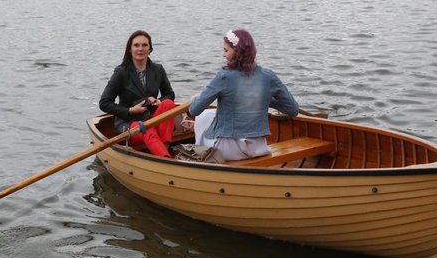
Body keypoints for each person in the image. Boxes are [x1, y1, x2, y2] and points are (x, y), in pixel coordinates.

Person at [188, 29, 298, 161]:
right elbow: (293, 109)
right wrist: (264, 98)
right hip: (258, 148)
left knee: (202, 117)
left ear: (237, 52)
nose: (223, 55)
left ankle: (204, 160)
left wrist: (197, 98)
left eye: (226, 50)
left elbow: (194, 110)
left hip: (229, 150)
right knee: (208, 114)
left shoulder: (223, 77)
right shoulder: (269, 76)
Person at [99, 30, 177, 158]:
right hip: (129, 124)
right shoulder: (121, 72)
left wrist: (159, 101)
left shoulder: (158, 69)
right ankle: (167, 160)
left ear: (150, 49)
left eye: (144, 45)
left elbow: (169, 94)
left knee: (168, 103)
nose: (140, 49)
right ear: (130, 49)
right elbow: (104, 103)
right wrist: (130, 110)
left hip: (152, 118)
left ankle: (164, 147)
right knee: (146, 129)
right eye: (136, 45)